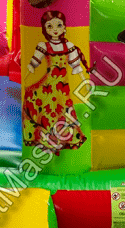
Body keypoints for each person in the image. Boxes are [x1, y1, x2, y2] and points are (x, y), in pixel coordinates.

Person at [23, 10, 88, 154]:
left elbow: (76, 66)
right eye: (49, 26)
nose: (55, 30)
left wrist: (85, 82)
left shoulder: (69, 46)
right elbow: (33, 64)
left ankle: (60, 140)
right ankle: (48, 141)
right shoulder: (44, 46)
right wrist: (25, 81)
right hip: (48, 86)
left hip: (62, 87)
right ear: (45, 29)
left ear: (64, 27)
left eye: (58, 25)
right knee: (48, 111)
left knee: (64, 110)